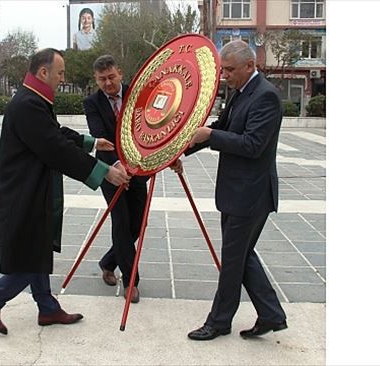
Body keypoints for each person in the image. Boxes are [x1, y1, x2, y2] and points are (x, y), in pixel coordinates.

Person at [0, 48, 131, 335]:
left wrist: (92, 142)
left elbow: (54, 132)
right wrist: (104, 171)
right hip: (22, 192)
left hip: (32, 188)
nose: (62, 78)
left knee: (38, 245)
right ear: (44, 72)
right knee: (30, 253)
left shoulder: (33, 100)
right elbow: (55, 148)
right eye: (60, 73)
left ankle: (47, 308)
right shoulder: (27, 105)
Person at [170, 40, 288, 341]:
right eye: (224, 70)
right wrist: (180, 147)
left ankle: (219, 321)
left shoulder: (266, 97)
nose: (225, 76)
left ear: (250, 66)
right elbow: (221, 128)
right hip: (237, 193)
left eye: (230, 70)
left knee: (234, 260)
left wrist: (211, 134)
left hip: (251, 195)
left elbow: (251, 145)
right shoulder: (239, 92)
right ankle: (271, 314)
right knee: (242, 256)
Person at [84, 55, 147, 303]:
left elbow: (148, 128)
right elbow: (99, 135)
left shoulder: (138, 94)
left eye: (111, 77)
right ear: (96, 80)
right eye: (102, 79)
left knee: (136, 225)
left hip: (139, 169)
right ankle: (131, 281)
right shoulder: (92, 103)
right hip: (109, 170)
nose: (108, 83)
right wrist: (118, 167)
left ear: (120, 73)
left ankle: (108, 261)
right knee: (120, 221)